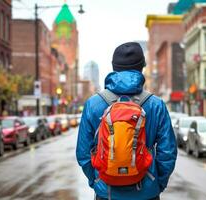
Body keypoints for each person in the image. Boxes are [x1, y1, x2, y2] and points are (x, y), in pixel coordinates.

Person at [76, 42, 177, 200]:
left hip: (106, 192)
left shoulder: (93, 104)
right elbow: (168, 153)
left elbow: (83, 154)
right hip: (147, 192)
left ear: (114, 67)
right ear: (142, 67)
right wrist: (157, 184)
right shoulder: (156, 105)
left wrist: (96, 181)